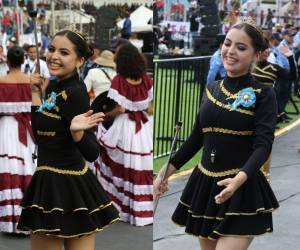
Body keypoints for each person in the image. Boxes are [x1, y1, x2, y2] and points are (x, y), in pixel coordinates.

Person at [154, 19, 279, 250]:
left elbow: (263, 145)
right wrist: (165, 171)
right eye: (227, 44)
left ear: (256, 55)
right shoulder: (212, 89)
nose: (230, 51)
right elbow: (196, 139)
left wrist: (239, 180)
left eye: (241, 48)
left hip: (242, 188)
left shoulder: (264, 93)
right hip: (206, 186)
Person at [17, 30, 119, 250]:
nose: (54, 56)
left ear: (80, 60)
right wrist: (36, 95)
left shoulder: (75, 93)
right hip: (48, 183)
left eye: (64, 52)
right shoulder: (54, 86)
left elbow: (92, 152)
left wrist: (77, 133)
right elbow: (41, 136)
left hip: (70, 187)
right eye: (52, 49)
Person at [94, 43, 153, 226]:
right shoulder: (146, 80)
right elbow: (149, 109)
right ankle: (140, 208)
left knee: (115, 161)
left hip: (125, 127)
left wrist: (104, 115)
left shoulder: (118, 81)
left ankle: (121, 204)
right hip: (142, 128)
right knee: (140, 165)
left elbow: (119, 109)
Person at [0, 46, 36, 233]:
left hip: (6, 127)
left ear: (8, 61)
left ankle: (11, 218)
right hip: (26, 127)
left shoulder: (1, 81)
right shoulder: (32, 81)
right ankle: (28, 217)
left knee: (9, 167)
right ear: (23, 61)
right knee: (26, 166)